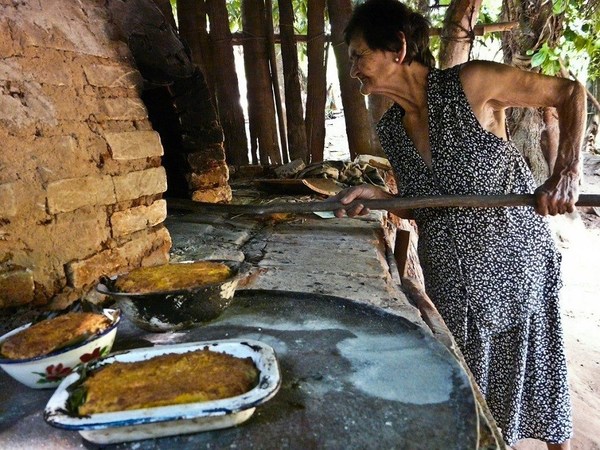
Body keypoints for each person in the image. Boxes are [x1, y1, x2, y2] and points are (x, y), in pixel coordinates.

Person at [332, 0, 587, 448]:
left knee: (539, 386)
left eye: (358, 55)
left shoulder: (472, 84)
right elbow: (424, 205)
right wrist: (384, 199)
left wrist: (567, 169)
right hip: (451, 279)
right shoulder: (391, 128)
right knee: (468, 401)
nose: (353, 69)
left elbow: (569, 94)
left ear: (397, 48)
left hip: (514, 266)